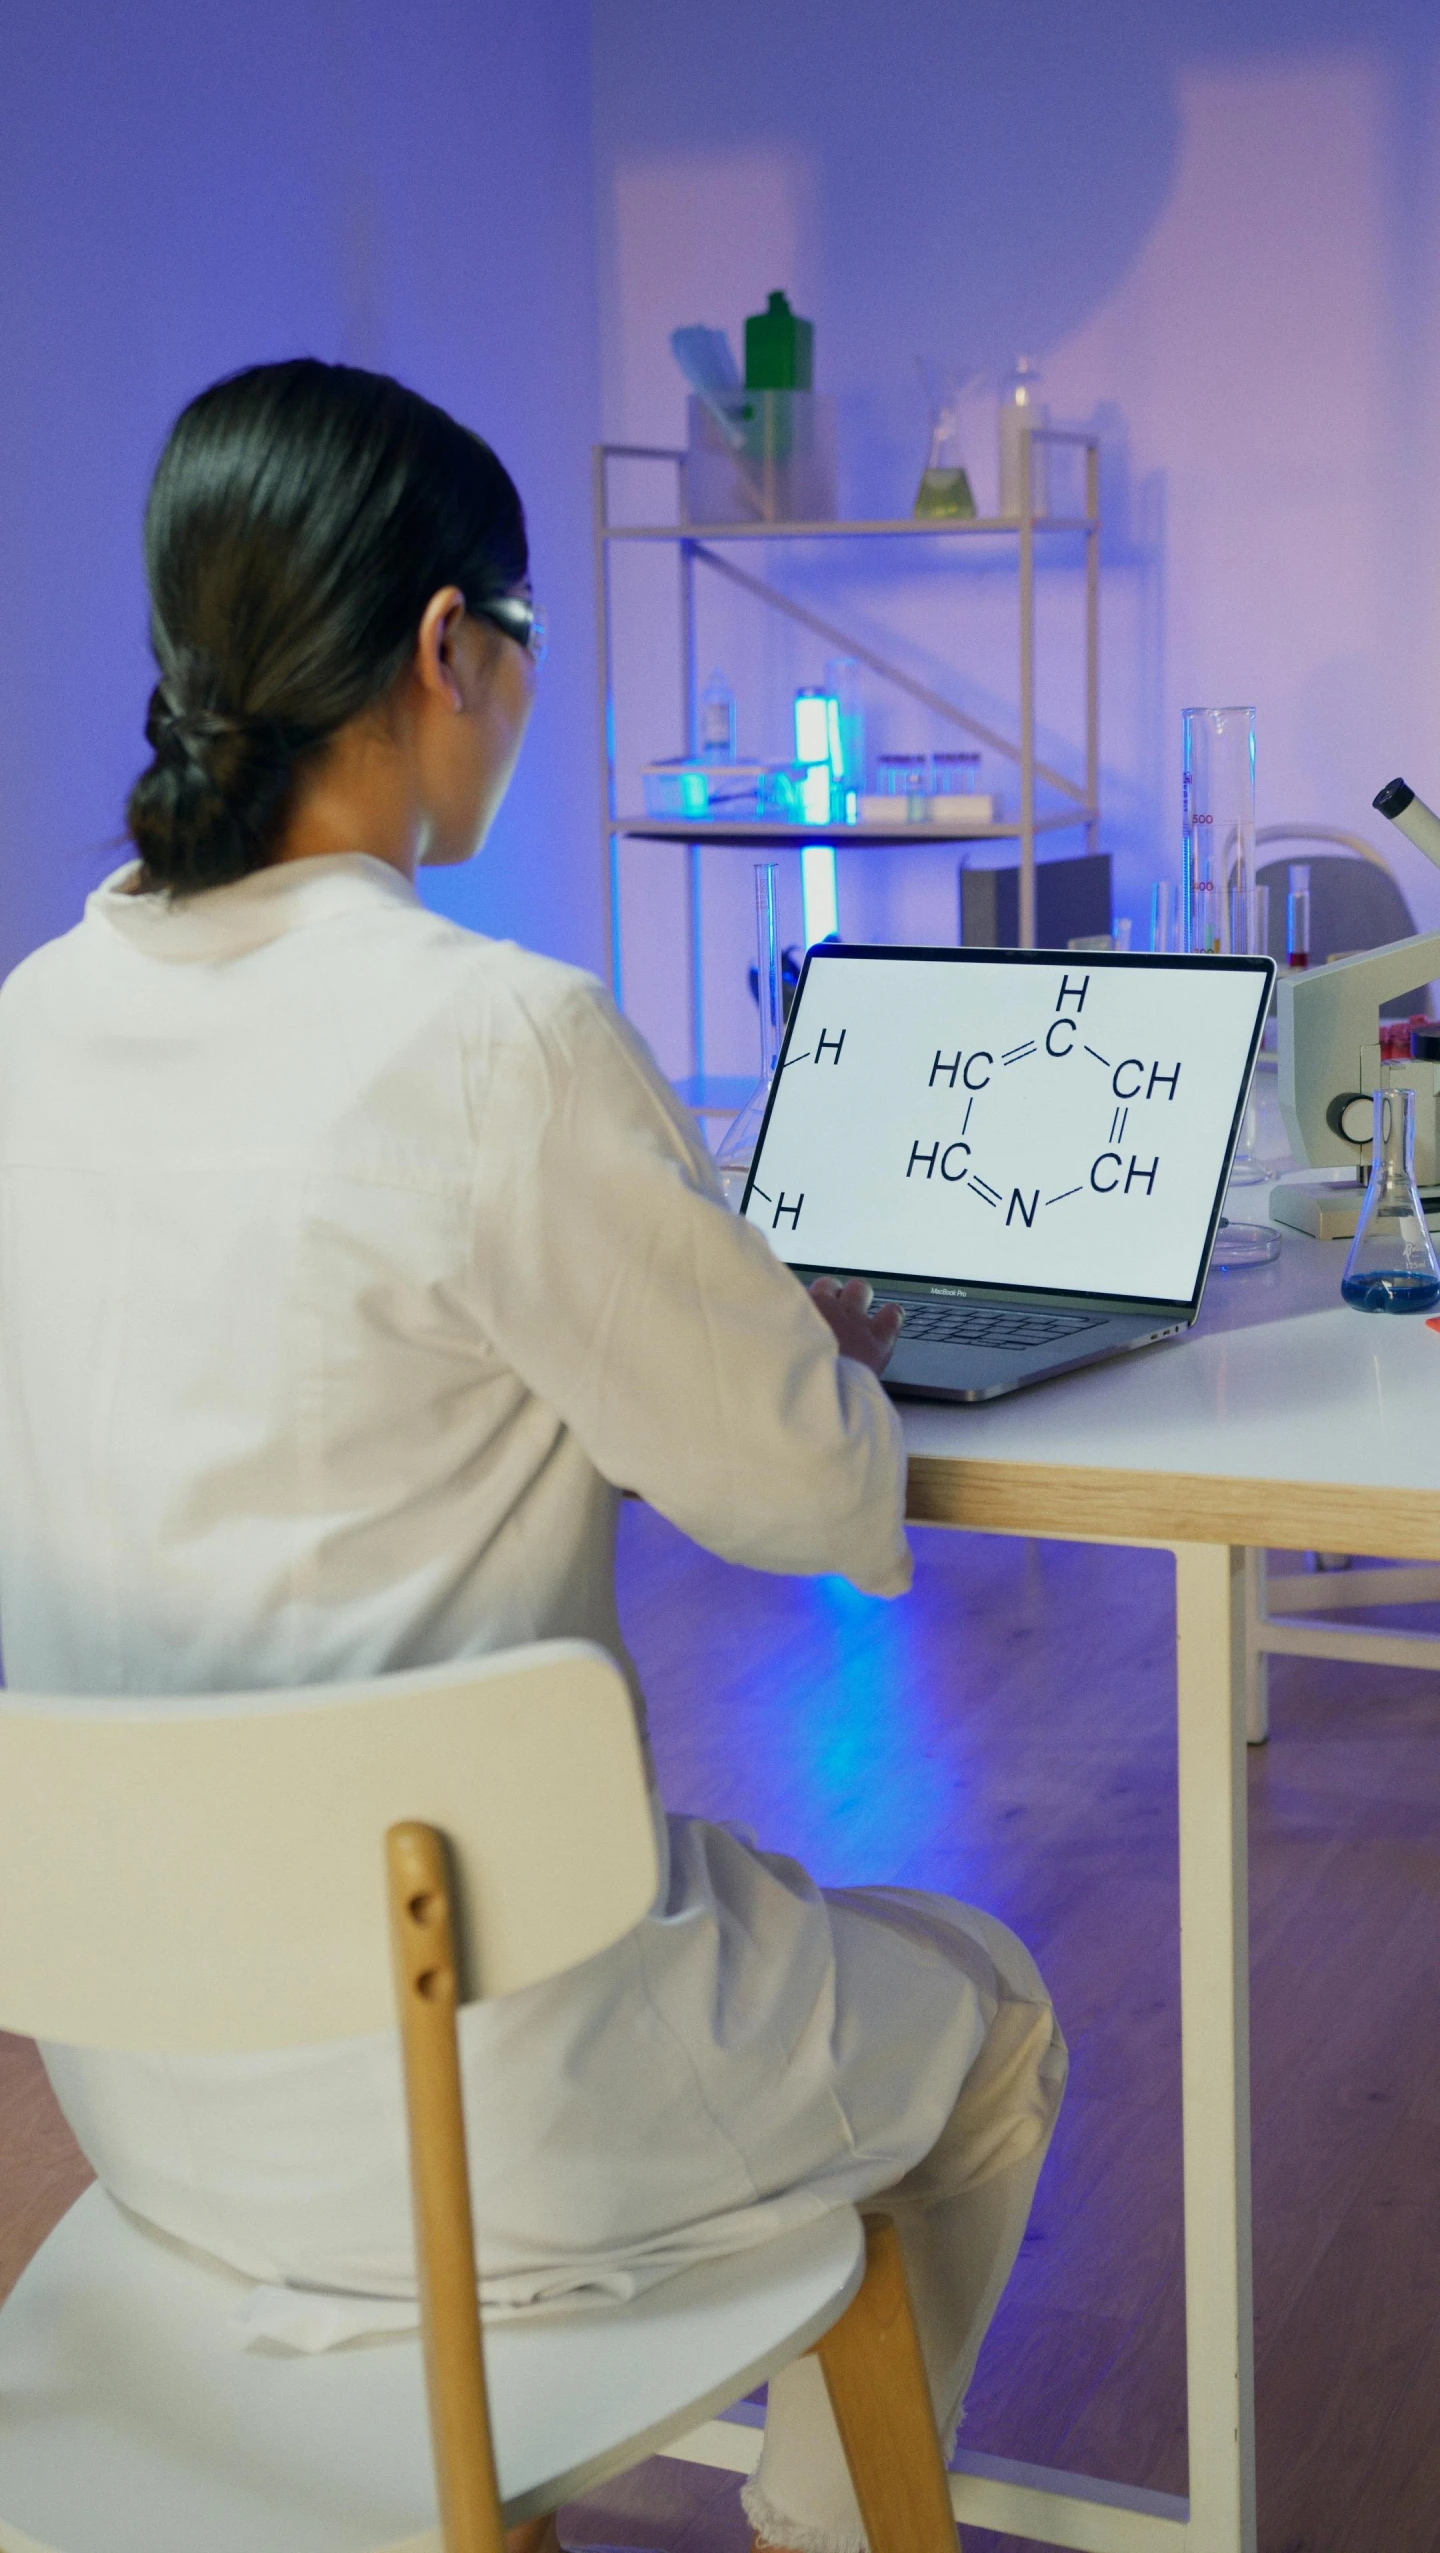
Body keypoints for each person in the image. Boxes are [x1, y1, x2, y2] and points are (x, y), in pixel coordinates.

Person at [0, 361, 1065, 2553]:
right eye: (526, 645)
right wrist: (784, 1343)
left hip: (135, 2083)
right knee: (994, 2011)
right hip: (480, 2112)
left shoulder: (32, 1026)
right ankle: (822, 2522)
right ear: (443, 650)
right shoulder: (497, 1039)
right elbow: (816, 1503)